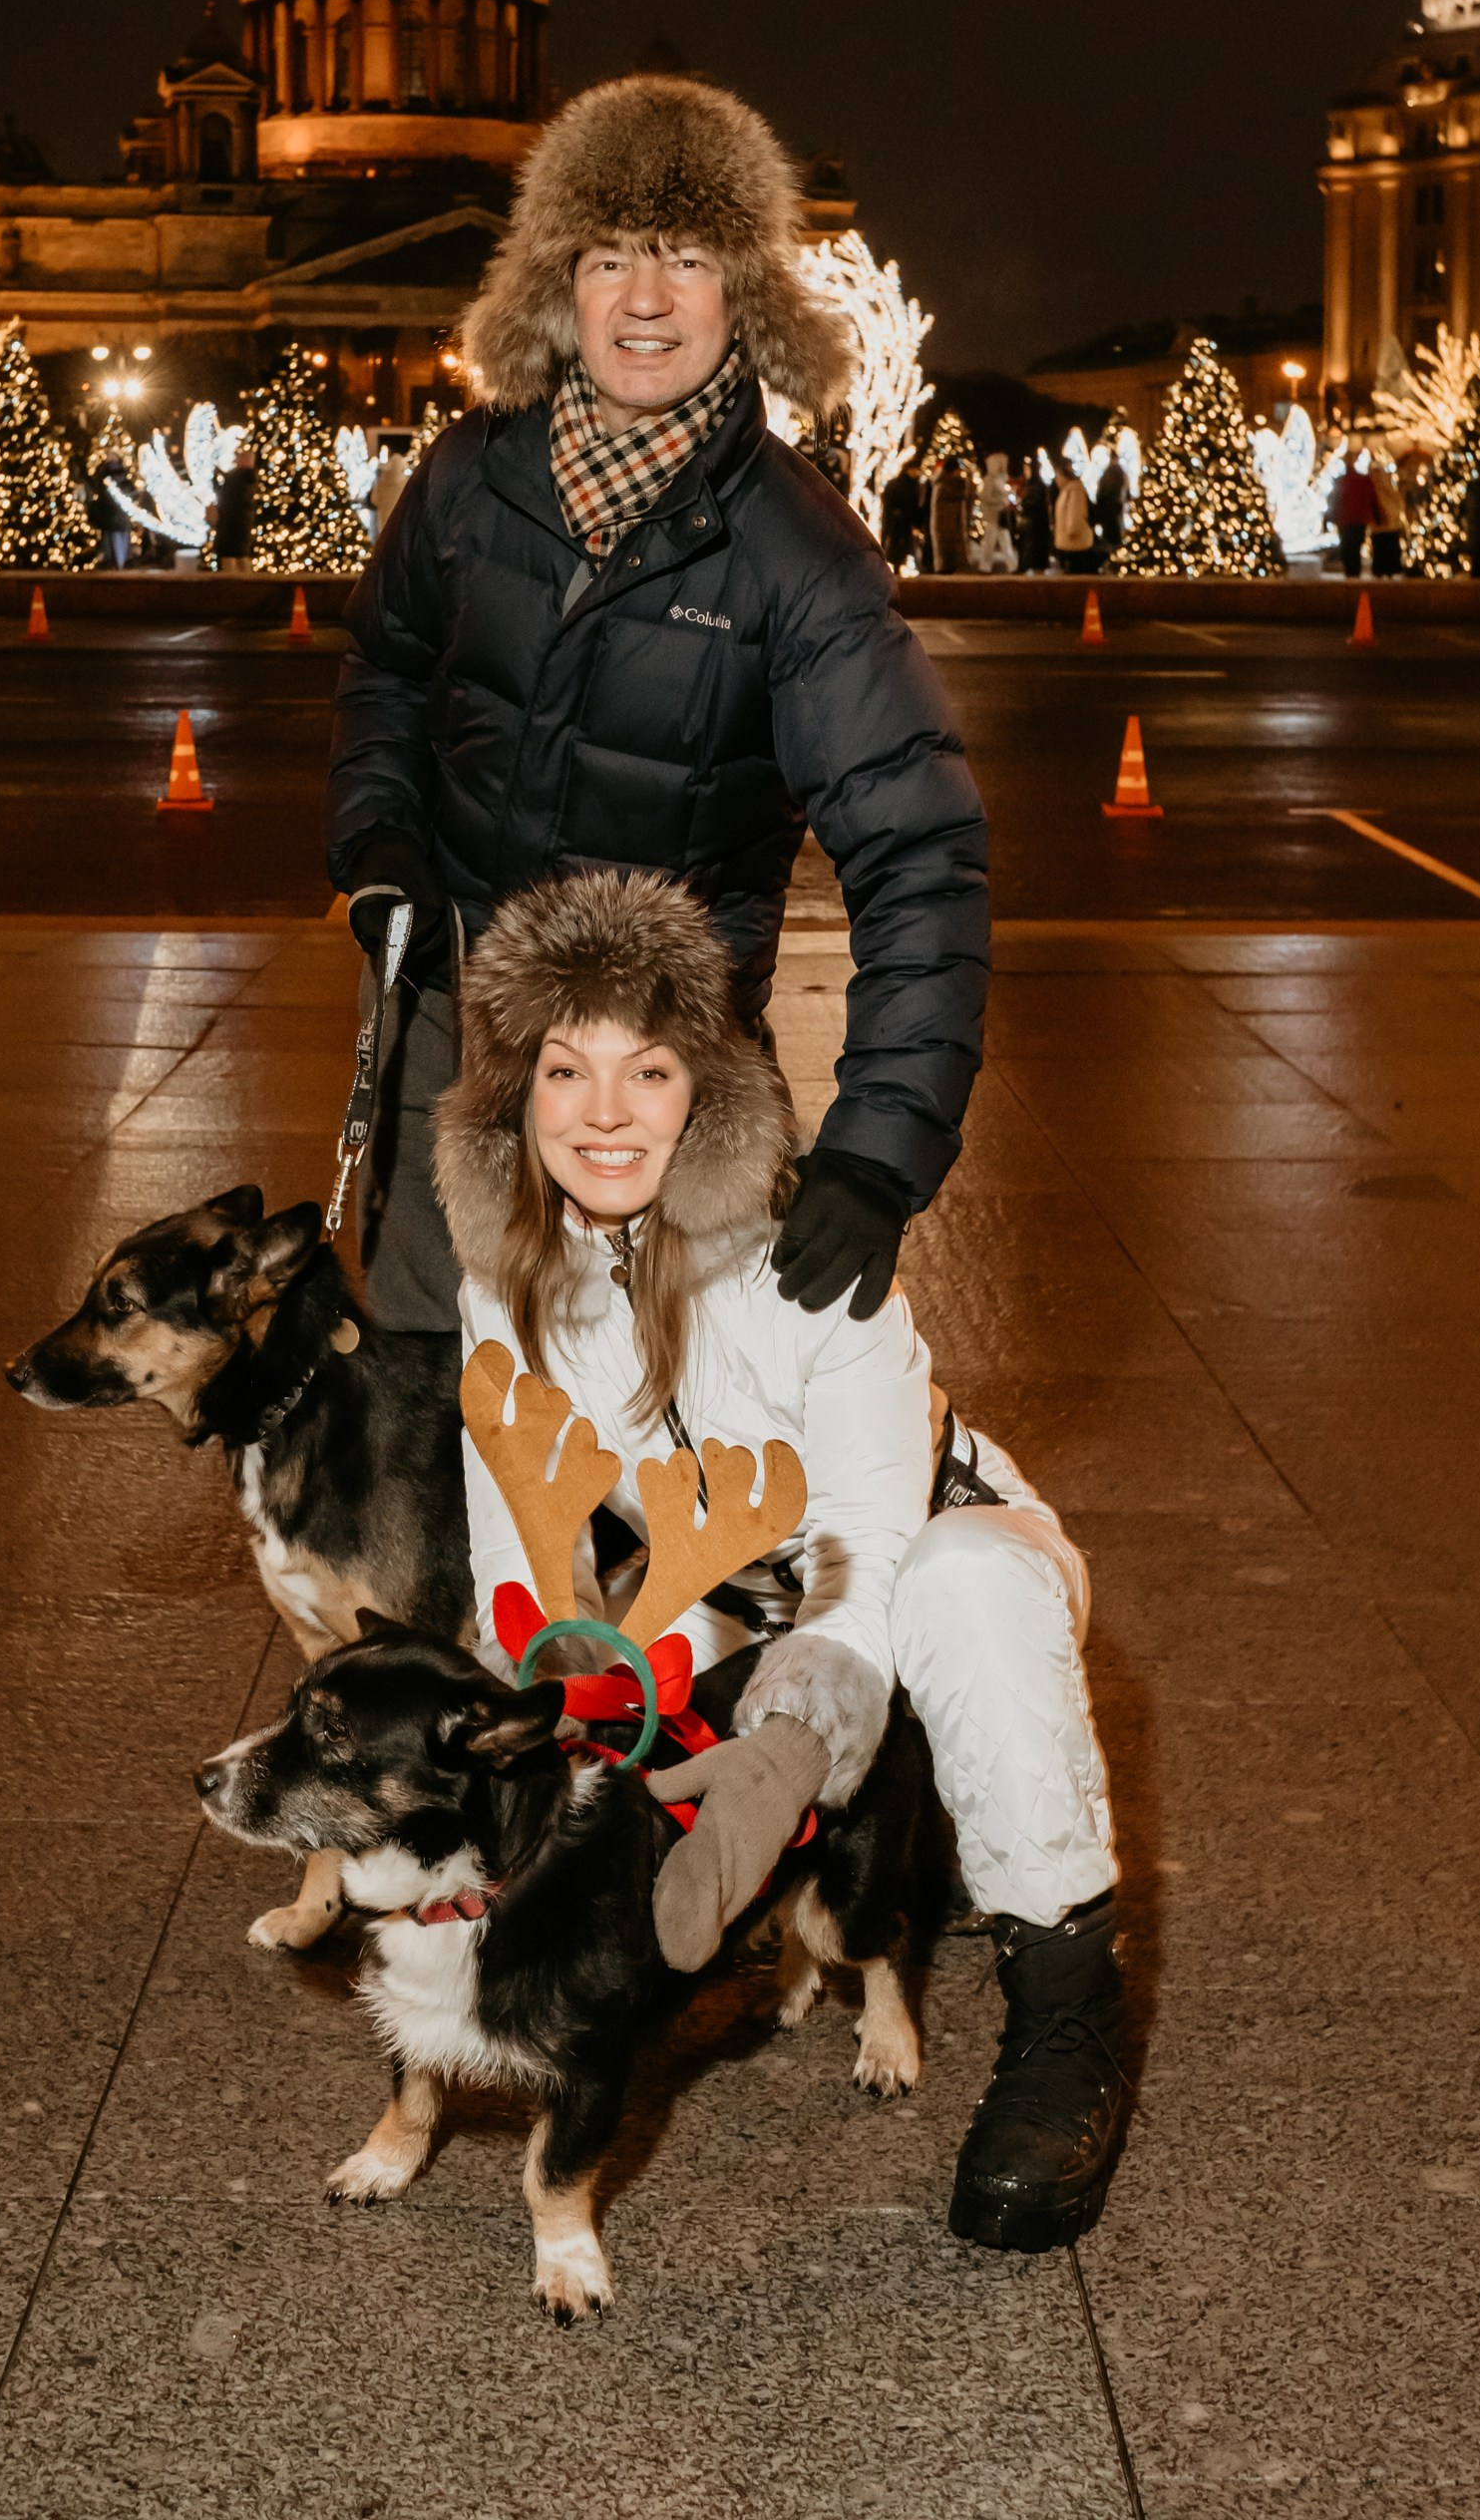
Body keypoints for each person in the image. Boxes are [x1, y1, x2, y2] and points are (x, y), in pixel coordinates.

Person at [436, 872, 1128, 2255]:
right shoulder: (498, 1275)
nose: (607, 1113)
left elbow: (869, 1535)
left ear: (708, 1086)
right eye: (565, 1071)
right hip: (710, 1597)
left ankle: (1069, 2018)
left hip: (918, 1558)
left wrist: (787, 1746)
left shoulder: (807, 1249)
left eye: (649, 1067)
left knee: (961, 1590)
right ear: (517, 1095)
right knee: (588, 1679)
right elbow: (524, 1545)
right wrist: (563, 1700)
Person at [326, 73, 988, 1337]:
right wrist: (378, 837)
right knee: (427, 1383)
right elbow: (387, 669)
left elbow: (921, 858)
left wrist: (874, 1148)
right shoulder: (466, 477)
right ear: (552, 283)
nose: (642, 301)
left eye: (686, 259)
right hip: (449, 1029)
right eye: (608, 257)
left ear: (744, 295)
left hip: (660, 1075)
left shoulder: (797, 554)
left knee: (656, 1452)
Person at [1327, 454, 1380, 579]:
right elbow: (1372, 499)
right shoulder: (1364, 480)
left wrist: (1330, 517)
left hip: (1344, 520)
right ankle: (1355, 572)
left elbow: (1334, 500)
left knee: (1347, 546)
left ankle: (1350, 572)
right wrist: (1377, 516)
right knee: (1356, 545)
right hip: (1359, 519)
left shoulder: (1340, 481)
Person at [212, 440, 255, 567]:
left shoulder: (241, 478)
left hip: (232, 525)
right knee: (237, 557)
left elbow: (230, 497)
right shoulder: (242, 478)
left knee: (231, 558)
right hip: (234, 526)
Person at [926, 455, 972, 572]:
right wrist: (968, 480)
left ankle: (946, 569)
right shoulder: (946, 484)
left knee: (946, 550)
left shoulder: (941, 482)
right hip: (946, 524)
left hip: (947, 523)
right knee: (947, 550)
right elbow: (962, 496)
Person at [973, 451, 1016, 572]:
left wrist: (1010, 495)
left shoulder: (1004, 479)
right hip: (993, 515)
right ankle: (985, 565)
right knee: (990, 541)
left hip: (1002, 515)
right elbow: (985, 496)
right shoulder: (989, 480)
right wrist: (1000, 501)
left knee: (1005, 540)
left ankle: (1011, 564)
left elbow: (1009, 493)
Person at [879, 461, 923, 571]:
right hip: (898, 522)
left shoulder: (911, 484)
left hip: (901, 522)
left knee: (901, 546)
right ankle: (896, 567)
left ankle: (898, 566)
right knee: (897, 546)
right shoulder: (902, 485)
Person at [1017, 454, 1054, 574]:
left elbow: (1033, 502)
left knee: (1032, 546)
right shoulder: (1033, 484)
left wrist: (1024, 501)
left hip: (1035, 522)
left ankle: (1032, 565)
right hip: (1035, 521)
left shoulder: (1037, 485)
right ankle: (1031, 564)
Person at [1051, 464, 1093, 571]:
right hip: (1069, 542)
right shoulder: (1067, 490)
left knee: (1075, 575)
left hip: (1074, 543)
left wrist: (1071, 532)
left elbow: (1075, 514)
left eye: (1057, 476)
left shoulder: (1074, 490)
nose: (1056, 480)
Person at [1370, 456, 1405, 578]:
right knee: (1381, 547)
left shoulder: (1388, 489)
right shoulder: (1373, 490)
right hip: (1379, 524)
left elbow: (1397, 503)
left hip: (1389, 524)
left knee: (1388, 547)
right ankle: (1381, 570)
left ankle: (1388, 570)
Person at [1090, 457, 1127, 568]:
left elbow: (1099, 495)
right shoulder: (1120, 475)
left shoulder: (1106, 476)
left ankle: (1108, 562)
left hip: (1106, 513)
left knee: (1108, 538)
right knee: (1115, 538)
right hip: (1114, 512)